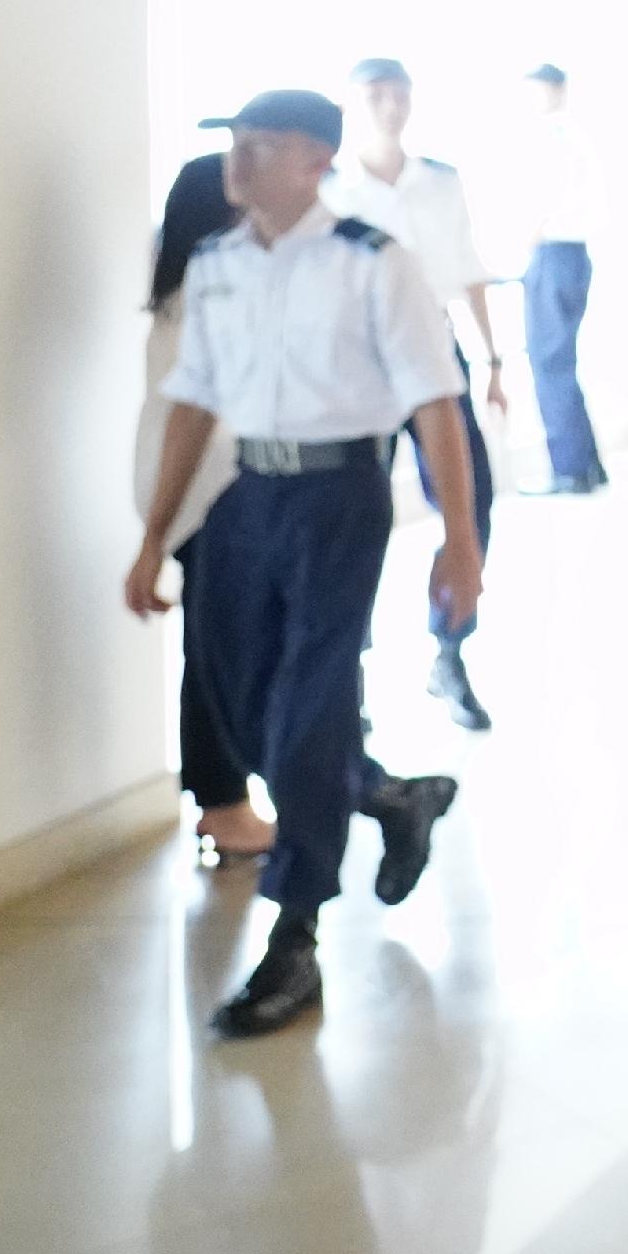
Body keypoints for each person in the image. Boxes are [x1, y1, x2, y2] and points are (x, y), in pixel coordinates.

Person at [125, 90, 472, 1038]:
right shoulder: (218, 264)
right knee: (242, 708)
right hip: (245, 498)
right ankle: (394, 797)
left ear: (315, 158)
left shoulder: (371, 262)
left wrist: (460, 538)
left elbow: (434, 404)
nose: (236, 161)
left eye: (258, 145)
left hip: (337, 501)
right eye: (231, 145)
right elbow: (194, 402)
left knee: (308, 708)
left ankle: (297, 934)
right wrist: (155, 536)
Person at [327, 57, 504, 732]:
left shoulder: (440, 182)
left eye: (399, 94)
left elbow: (468, 268)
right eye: (376, 96)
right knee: (356, 515)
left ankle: (449, 649)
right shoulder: (334, 186)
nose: (390, 107)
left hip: (436, 352)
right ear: (354, 103)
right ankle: (353, 677)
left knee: (470, 500)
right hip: (356, 364)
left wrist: (492, 361)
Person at [141, 152, 261, 863]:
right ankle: (223, 803)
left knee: (214, 651)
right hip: (206, 487)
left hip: (191, 485)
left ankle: (225, 799)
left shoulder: (176, 289)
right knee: (217, 657)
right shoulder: (209, 293)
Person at [514, 60, 609, 494]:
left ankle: (570, 470)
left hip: (553, 253)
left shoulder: (549, 137)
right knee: (560, 363)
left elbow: (541, 200)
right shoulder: (576, 136)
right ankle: (586, 464)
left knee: (549, 363)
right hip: (572, 254)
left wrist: (526, 237)